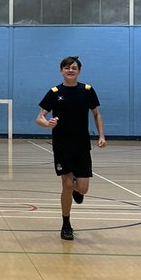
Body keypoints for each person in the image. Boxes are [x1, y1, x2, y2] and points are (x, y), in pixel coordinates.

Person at [37, 55, 106, 241]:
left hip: (82, 145)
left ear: (79, 71)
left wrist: (101, 136)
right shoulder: (54, 92)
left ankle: (77, 191)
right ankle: (66, 223)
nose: (70, 70)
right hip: (62, 145)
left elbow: (97, 114)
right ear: (61, 71)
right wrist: (47, 123)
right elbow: (40, 117)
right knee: (66, 183)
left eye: (74, 68)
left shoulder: (87, 90)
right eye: (67, 68)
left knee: (82, 189)